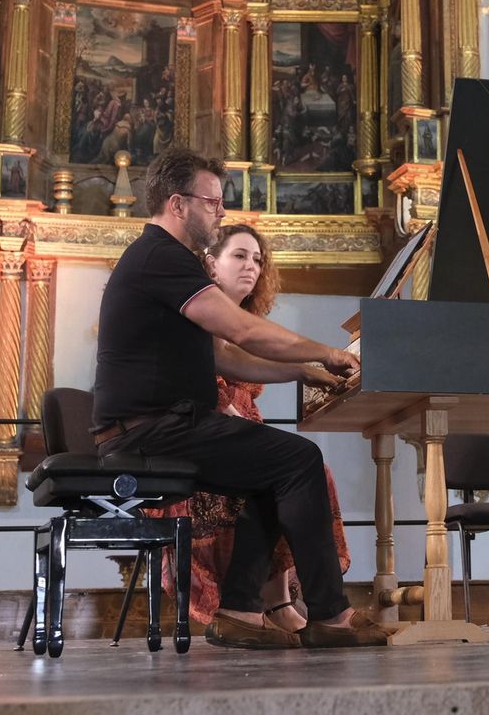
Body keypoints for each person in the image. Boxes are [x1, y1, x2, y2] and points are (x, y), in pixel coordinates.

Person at [92, 145, 387, 649]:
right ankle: (330, 616)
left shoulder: (165, 259)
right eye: (212, 201)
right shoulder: (161, 256)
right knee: (299, 460)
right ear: (178, 204)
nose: (221, 211)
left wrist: (303, 371)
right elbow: (242, 331)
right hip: (152, 432)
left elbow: (226, 358)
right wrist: (327, 352)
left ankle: (240, 612)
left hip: (161, 428)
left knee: (273, 472)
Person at [160, 223, 352, 632]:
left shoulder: (246, 321)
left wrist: (306, 370)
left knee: (299, 469)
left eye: (258, 259)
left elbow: (250, 364)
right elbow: (209, 391)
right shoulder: (200, 311)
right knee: (292, 469)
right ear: (211, 264)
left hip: (230, 436)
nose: (252, 266)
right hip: (198, 440)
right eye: (240, 256)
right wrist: (314, 361)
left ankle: (270, 603)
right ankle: (297, 608)